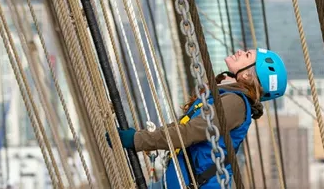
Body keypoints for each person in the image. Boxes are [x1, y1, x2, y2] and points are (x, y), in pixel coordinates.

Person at [113, 48, 288, 188]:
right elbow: (184, 127)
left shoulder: (235, 103)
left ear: (248, 75)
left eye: (247, 55)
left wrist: (137, 140)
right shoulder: (225, 97)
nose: (240, 52)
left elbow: (189, 133)